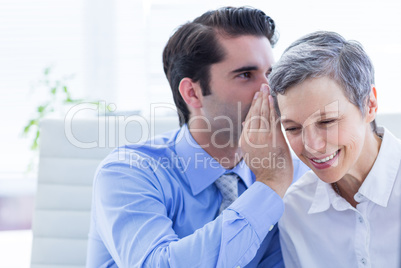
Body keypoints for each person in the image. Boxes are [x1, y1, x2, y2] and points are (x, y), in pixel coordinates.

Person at [86, 6, 309, 268]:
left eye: (271, 74)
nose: (270, 91)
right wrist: (269, 186)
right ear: (192, 93)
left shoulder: (292, 173)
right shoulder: (129, 171)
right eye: (245, 75)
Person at [264, 31, 401, 267]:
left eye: (327, 122)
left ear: (370, 105)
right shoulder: (294, 209)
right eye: (293, 128)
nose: (313, 146)